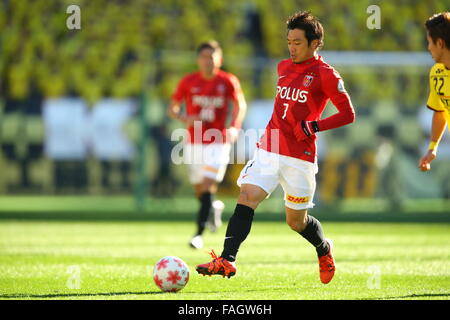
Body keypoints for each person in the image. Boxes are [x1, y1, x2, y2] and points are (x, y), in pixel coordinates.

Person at [196, 11, 355, 284]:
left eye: (297, 42)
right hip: (270, 146)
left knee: (296, 222)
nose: (291, 48)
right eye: (289, 41)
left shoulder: (326, 75)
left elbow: (348, 114)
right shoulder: (283, 67)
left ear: (315, 43)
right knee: (247, 196)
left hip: (300, 157)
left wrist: (314, 126)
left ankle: (323, 248)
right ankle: (227, 259)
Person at [167, 40, 247, 249]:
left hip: (218, 141)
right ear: (198, 59)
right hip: (194, 142)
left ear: (219, 59)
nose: (208, 61)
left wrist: (234, 127)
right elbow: (172, 107)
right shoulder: (188, 81)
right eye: (204, 56)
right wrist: (184, 118)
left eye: (212, 57)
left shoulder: (228, 81)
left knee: (207, 184)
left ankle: (198, 234)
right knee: (199, 191)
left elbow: (240, 104)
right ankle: (213, 206)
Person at [419, 12, 450, 172]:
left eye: (429, 42)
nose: (428, 47)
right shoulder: (437, 73)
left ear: (440, 43)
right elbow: (440, 111)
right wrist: (433, 147)